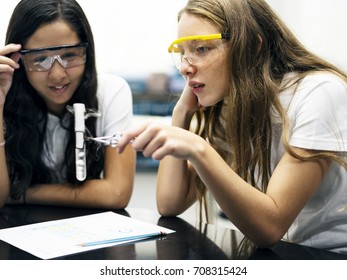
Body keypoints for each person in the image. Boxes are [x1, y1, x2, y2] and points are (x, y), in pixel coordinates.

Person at [117, 0, 347, 254]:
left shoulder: (318, 93)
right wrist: (180, 114)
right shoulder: (233, 106)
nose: (184, 67)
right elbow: (170, 204)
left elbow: (270, 226)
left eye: (202, 48)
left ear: (253, 47)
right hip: (286, 253)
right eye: (182, 52)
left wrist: (198, 148)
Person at [0, 0, 135, 209]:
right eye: (40, 59)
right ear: (18, 60)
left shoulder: (110, 92)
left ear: (86, 52)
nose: (57, 74)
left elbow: (116, 193)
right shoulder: (5, 95)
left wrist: (19, 192)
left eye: (69, 55)